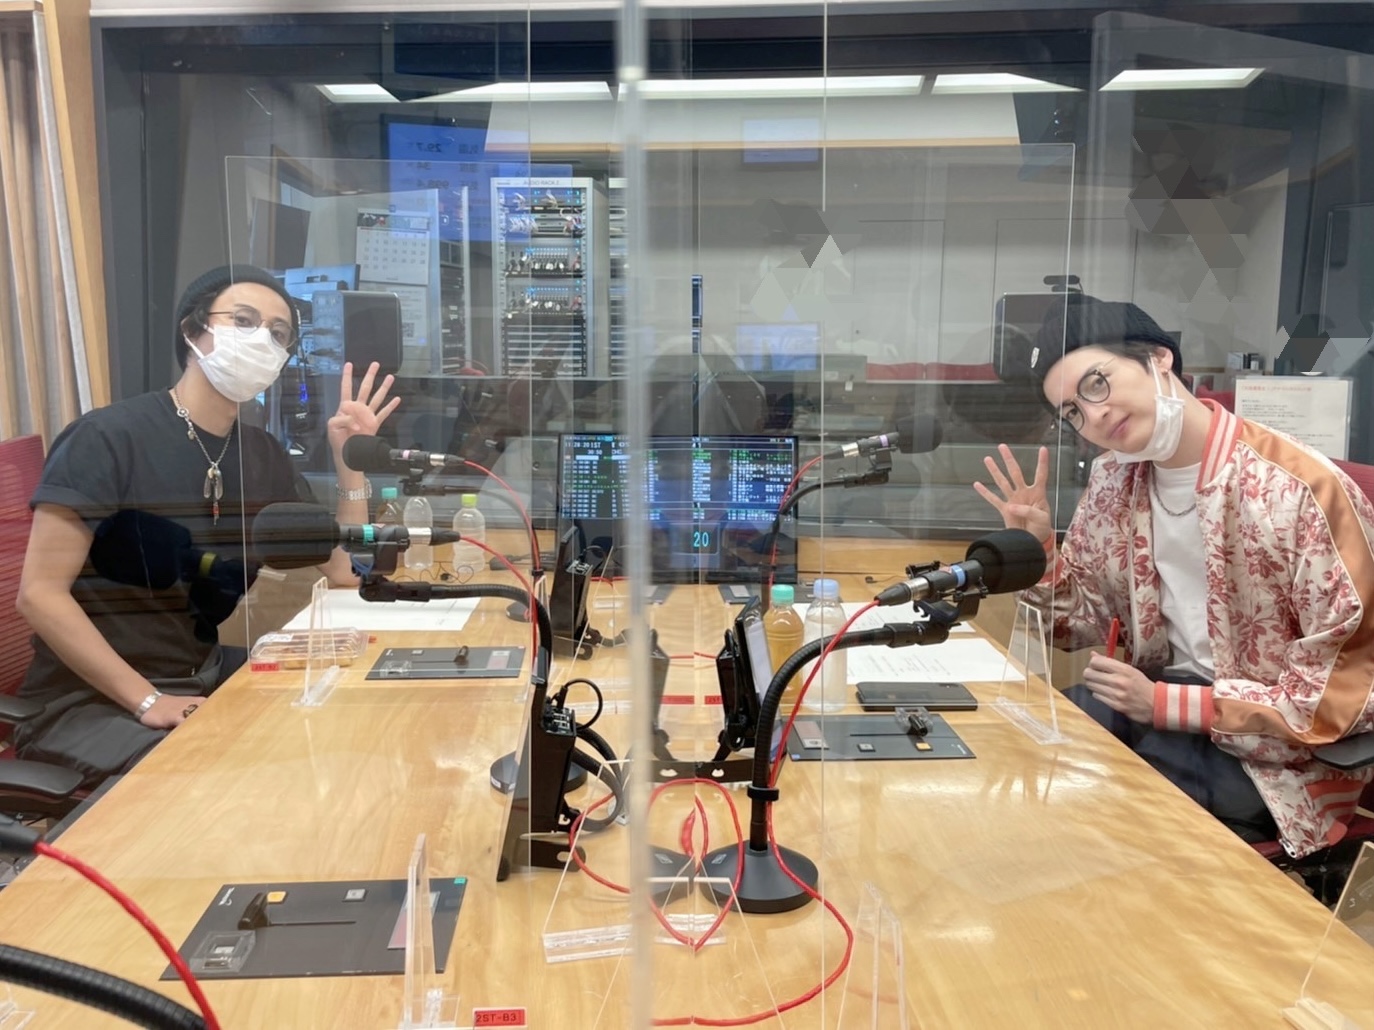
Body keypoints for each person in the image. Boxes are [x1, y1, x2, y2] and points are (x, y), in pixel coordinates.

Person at [976, 294, 1374, 858]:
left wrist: (1166, 705)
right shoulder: (1114, 482)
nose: (1093, 417)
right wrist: (1038, 548)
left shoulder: (1298, 490)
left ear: (1159, 358)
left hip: (1273, 756)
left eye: (1096, 384)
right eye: (1073, 413)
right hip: (1153, 707)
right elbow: (1076, 625)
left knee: (1108, 827)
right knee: (1021, 754)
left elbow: (1345, 693)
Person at [15, 264, 400, 787]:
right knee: (224, 782)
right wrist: (148, 700)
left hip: (201, 676)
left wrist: (349, 462)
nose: (262, 339)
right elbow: (38, 594)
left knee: (346, 719)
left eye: (278, 333)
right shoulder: (106, 438)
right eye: (243, 320)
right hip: (91, 702)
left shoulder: (261, 455)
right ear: (193, 330)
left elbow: (344, 571)